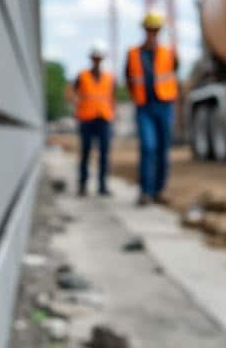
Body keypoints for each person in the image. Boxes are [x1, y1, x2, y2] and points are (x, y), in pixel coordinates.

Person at [125, 10, 177, 206]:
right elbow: (130, 79)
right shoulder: (133, 54)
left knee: (163, 150)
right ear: (145, 30)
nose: (152, 33)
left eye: (155, 30)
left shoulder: (168, 53)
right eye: (149, 30)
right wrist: (137, 98)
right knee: (148, 147)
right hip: (144, 107)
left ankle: (159, 191)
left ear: (159, 31)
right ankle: (145, 192)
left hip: (164, 106)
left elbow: (174, 73)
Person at [69, 40, 114, 197]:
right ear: (91, 58)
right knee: (86, 152)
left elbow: (111, 97)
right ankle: (82, 185)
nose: (97, 60)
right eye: (95, 57)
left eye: (99, 58)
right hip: (87, 118)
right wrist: (75, 101)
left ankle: (102, 186)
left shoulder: (109, 77)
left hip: (104, 118)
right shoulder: (82, 76)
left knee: (104, 153)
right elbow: (71, 92)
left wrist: (114, 113)